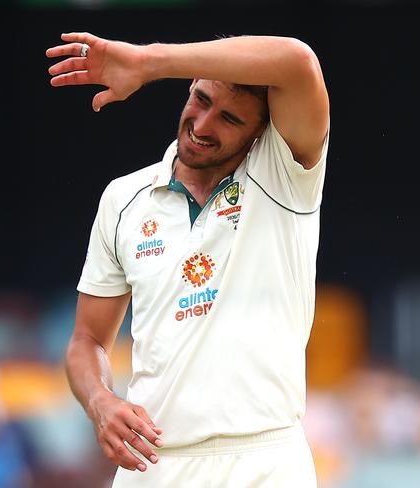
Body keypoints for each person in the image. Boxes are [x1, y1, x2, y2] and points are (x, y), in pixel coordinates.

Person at [47, 31, 329, 487]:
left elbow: (298, 60)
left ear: (261, 132)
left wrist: (148, 62)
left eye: (230, 118)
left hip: (265, 460)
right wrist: (100, 402)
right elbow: (88, 341)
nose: (202, 125)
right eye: (200, 98)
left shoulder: (282, 174)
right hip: (154, 464)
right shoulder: (123, 199)